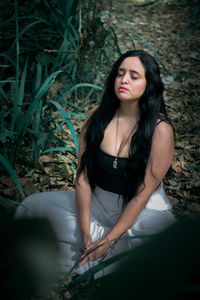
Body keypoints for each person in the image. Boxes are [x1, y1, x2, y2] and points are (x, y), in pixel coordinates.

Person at [15, 50, 175, 276]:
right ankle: (98, 250)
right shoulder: (95, 118)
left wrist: (109, 240)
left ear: (150, 84)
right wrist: (85, 232)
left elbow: (144, 192)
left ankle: (113, 254)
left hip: (143, 209)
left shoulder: (161, 130)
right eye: (120, 74)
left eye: (134, 75)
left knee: (154, 235)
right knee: (33, 206)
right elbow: (83, 178)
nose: (124, 80)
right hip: (100, 202)